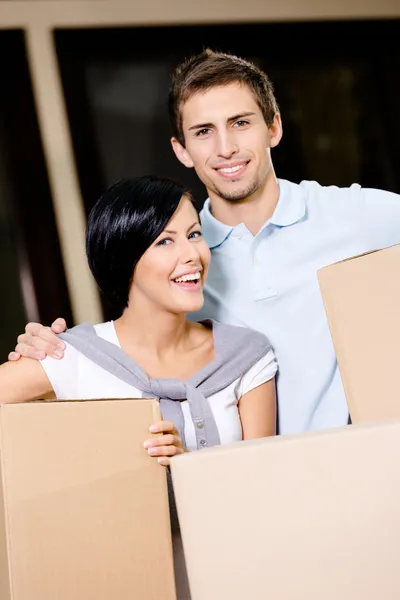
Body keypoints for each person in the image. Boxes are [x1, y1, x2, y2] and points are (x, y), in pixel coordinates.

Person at [10, 49, 400, 435]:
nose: (225, 147)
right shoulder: (178, 263)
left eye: (241, 122)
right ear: (181, 149)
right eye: (203, 131)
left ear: (274, 128)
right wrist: (51, 355)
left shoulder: (352, 214)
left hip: (351, 466)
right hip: (233, 478)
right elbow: (127, 352)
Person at [0, 175, 277, 600]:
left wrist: (190, 469)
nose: (191, 255)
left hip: (235, 579)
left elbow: (265, 490)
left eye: (194, 234)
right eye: (165, 242)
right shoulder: (73, 356)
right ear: (124, 256)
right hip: (115, 582)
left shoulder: (246, 356)